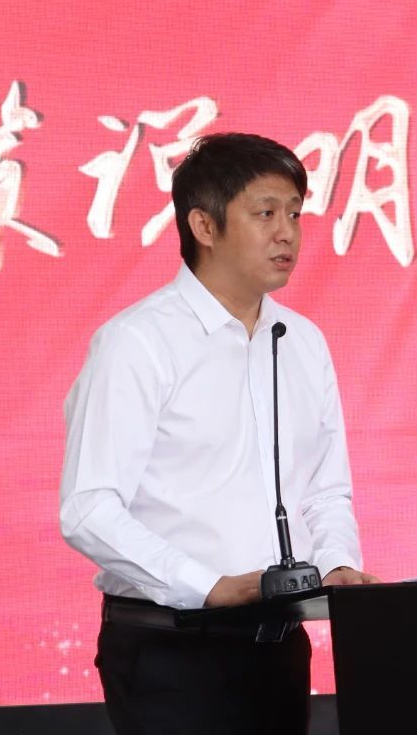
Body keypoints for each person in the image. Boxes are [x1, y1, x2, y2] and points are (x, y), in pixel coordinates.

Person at [60, 132, 378, 735]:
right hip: (172, 651)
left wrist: (337, 565)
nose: (287, 234)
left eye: (294, 214)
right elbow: (89, 508)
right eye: (265, 213)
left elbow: (325, 491)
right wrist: (207, 586)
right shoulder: (138, 342)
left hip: (279, 645)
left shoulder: (303, 342)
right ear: (204, 226)